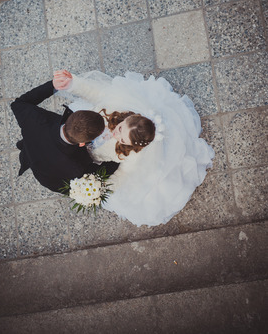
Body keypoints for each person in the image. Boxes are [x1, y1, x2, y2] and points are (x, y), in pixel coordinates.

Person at [53, 69, 215, 227]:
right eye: (121, 128)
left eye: (123, 140)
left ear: (133, 145)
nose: (116, 134)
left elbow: (123, 174)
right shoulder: (118, 106)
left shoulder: (134, 156)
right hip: (87, 127)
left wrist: (100, 187)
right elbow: (96, 93)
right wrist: (73, 84)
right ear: (128, 118)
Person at [11, 80, 119, 193]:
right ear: (82, 144)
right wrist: (120, 155)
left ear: (70, 117)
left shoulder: (35, 120)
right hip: (51, 180)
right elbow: (101, 172)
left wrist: (52, 86)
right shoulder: (76, 168)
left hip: (34, 151)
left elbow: (18, 104)